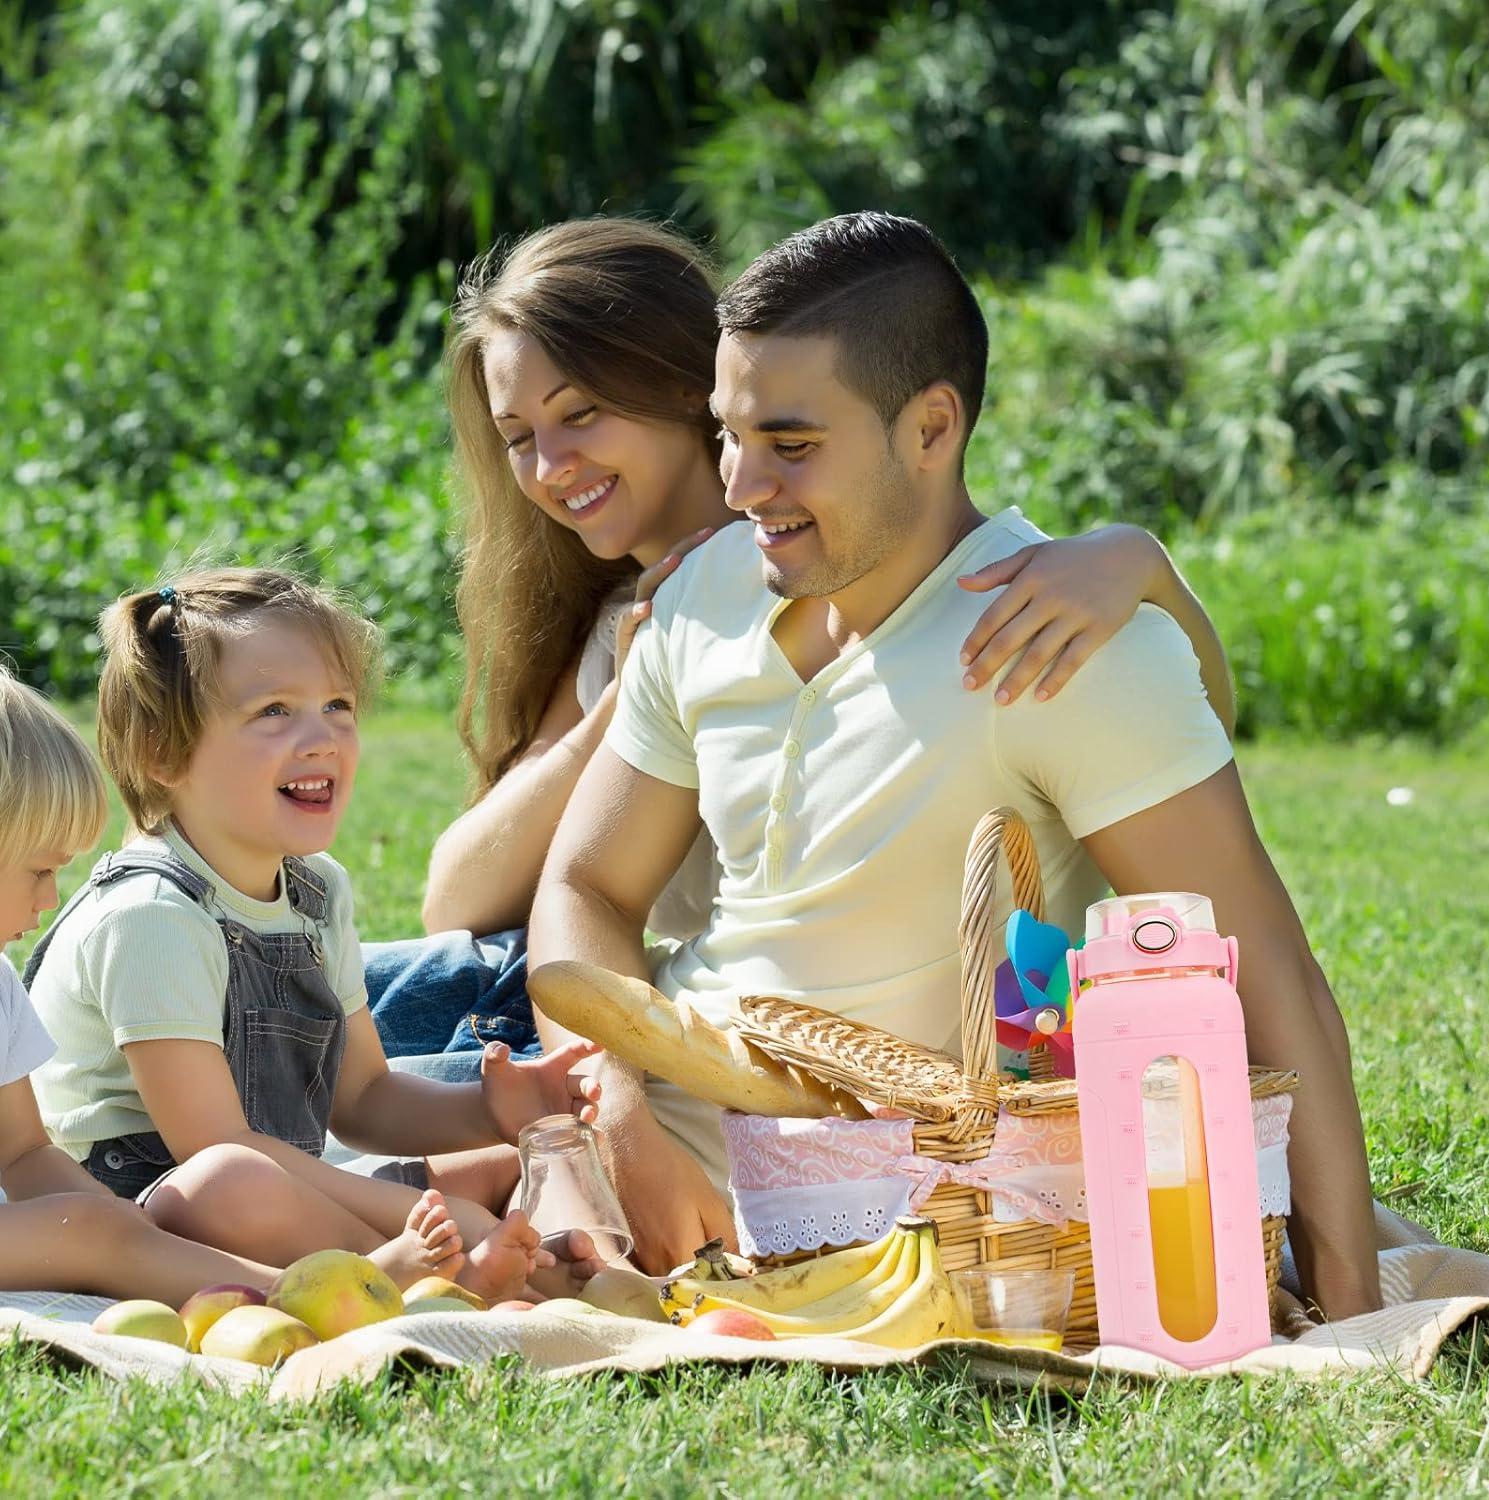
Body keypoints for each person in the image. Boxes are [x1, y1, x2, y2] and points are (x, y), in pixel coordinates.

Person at [526, 212, 1381, 1322]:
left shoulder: (1058, 642)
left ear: (932, 427)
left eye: (790, 444)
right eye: (727, 433)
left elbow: (1267, 967)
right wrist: (619, 1112)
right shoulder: (706, 595)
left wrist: (1357, 1308)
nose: (739, 485)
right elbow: (586, 886)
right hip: (643, 1116)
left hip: (896, 1194)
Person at [377, 218, 1236, 1068]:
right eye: (519, 437)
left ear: (687, 390)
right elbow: (463, 895)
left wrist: (1142, 563)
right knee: (319, 1012)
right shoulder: (642, 619)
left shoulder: (859, 553)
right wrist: (630, 697)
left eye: (582, 415)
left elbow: (1177, 740)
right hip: (595, 998)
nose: (549, 464)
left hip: (680, 1033)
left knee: (331, 1111)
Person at [25, 569, 604, 1304]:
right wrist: (437, 1218)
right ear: (161, 753)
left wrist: (491, 1110)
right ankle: (433, 1271)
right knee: (233, 1185)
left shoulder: (315, 890)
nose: (323, 737)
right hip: (148, 1213)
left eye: (339, 705)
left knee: (491, 1159)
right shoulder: (151, 916)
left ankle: (481, 1252)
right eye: (274, 711)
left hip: (280, 1182)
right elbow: (213, 1148)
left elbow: (361, 1097)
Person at [0, 663, 464, 1302]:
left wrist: (132, 1229)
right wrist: (104, 1227)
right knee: (88, 1231)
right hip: (148, 1183)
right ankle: (317, 1295)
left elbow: (22, 1153)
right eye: (38, 871)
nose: (52, 899)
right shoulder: (149, 917)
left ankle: (344, 1285)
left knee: (102, 1225)